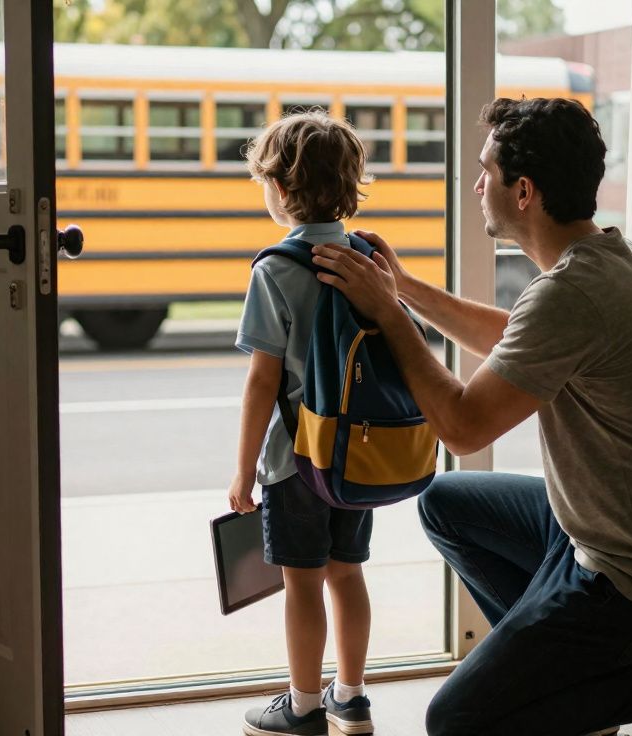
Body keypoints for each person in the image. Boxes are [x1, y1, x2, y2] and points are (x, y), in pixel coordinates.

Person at [309, 97, 632, 736]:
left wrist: (390, 315)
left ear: (524, 192)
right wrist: (401, 286)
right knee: (445, 504)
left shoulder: (572, 294)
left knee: (458, 720)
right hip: (614, 534)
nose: (478, 184)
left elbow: (461, 426)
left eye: (486, 171)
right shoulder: (613, 258)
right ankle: (567, 675)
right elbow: (519, 338)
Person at [228, 109, 378, 736]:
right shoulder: (369, 256)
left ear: (283, 191)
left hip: (295, 461)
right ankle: (352, 696)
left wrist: (243, 472)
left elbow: (264, 381)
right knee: (348, 573)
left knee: (302, 583)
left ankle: (304, 705)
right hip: (358, 455)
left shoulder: (276, 269)